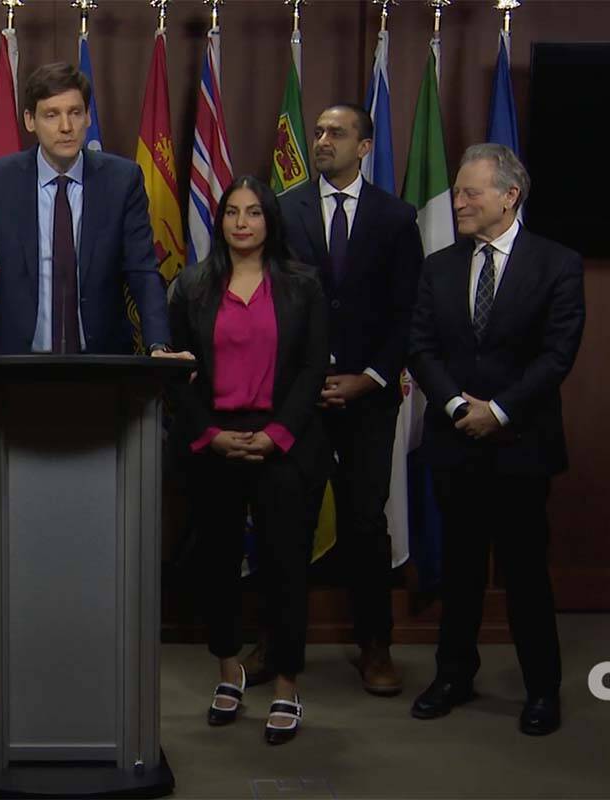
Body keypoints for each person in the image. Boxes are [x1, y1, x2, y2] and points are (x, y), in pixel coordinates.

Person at [407, 144, 584, 736]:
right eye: (457, 191)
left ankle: (541, 691)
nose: (457, 201)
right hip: (454, 440)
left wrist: (501, 411)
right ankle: (453, 675)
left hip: (520, 445)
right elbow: (422, 347)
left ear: (509, 196)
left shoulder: (556, 263)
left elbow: (557, 354)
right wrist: (460, 406)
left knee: (526, 575)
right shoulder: (438, 266)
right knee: (457, 571)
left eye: (469, 192)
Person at [170, 176, 331, 745]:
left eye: (254, 213)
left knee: (285, 567)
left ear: (270, 222)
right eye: (232, 212)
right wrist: (210, 433)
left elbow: (313, 368)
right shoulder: (191, 286)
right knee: (217, 565)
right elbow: (178, 376)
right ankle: (228, 670)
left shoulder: (302, 286)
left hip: (282, 445)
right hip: (216, 445)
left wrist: (279, 433)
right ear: (220, 222)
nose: (242, 222)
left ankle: (285, 685)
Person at [273, 103, 423, 695]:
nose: (322, 140)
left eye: (337, 133)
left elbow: (408, 312)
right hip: (301, 400)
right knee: (288, 523)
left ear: (365, 147)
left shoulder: (395, 217)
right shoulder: (285, 211)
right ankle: (280, 646)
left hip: (368, 398)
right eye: (318, 131)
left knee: (365, 523)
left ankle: (375, 646)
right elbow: (276, 309)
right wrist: (307, 382)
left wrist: (372, 377)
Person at [0, 62, 186, 358]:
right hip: (16, 365)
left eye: (75, 112)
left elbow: (143, 271)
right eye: (52, 114)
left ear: (87, 117)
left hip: (103, 365)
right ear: (30, 120)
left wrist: (158, 345)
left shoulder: (122, 180)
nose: (66, 127)